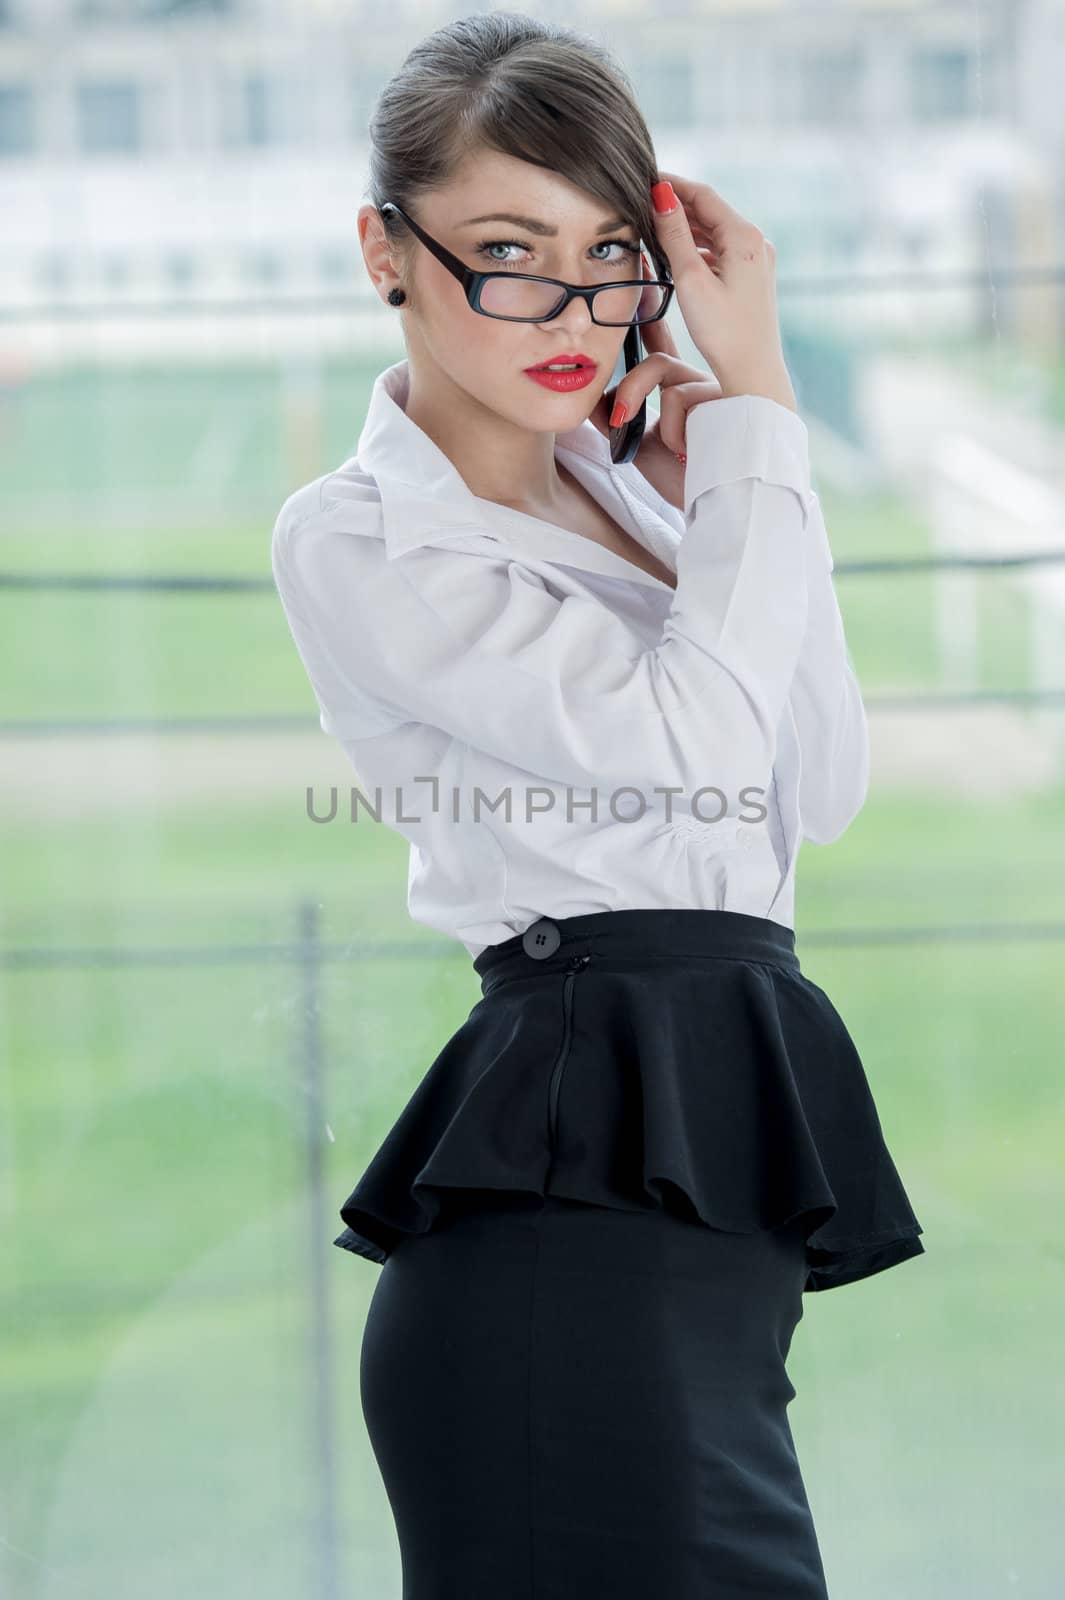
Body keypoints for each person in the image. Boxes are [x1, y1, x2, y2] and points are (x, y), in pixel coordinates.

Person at [270, 12, 925, 1597]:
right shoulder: (367, 537)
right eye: (508, 250)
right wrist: (758, 406)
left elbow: (815, 781)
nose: (573, 308)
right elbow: (687, 736)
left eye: (613, 255)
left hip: (696, 1223)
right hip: (568, 1217)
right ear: (386, 249)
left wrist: (732, 490)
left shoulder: (644, 493)